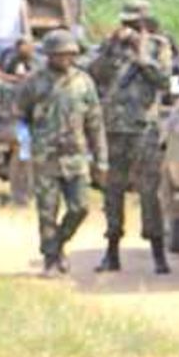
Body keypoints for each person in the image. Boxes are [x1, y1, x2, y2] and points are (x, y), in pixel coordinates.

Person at [88, 0, 172, 274]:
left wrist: (141, 55)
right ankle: (111, 253)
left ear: (146, 23)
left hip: (143, 130)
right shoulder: (111, 47)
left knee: (149, 193)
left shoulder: (159, 46)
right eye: (126, 24)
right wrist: (111, 47)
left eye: (135, 24)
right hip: (113, 130)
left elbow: (163, 80)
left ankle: (158, 255)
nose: (130, 29)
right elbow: (93, 74)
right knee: (112, 192)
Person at [16, 29, 108, 278]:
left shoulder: (83, 82)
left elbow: (95, 123)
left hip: (76, 156)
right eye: (59, 54)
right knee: (47, 210)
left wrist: (101, 159)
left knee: (80, 208)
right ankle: (50, 259)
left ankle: (57, 245)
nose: (65, 59)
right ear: (49, 55)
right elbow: (21, 116)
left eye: (69, 54)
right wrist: (27, 145)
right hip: (45, 156)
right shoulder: (34, 82)